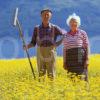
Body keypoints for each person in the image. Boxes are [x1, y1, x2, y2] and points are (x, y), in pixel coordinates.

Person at [24, 8, 64, 80]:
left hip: (51, 52)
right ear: (41, 16)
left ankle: (52, 90)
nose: (46, 16)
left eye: (47, 15)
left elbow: (65, 35)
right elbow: (33, 43)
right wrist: (27, 46)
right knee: (41, 74)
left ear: (50, 16)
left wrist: (57, 44)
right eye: (44, 15)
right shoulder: (37, 28)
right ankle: (41, 89)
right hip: (40, 53)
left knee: (51, 74)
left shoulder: (54, 28)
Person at [63, 13, 90, 81]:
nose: (73, 23)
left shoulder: (83, 33)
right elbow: (64, 49)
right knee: (72, 79)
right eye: (71, 22)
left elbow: (87, 46)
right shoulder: (66, 35)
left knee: (82, 77)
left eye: (75, 22)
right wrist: (64, 62)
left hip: (80, 58)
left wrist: (87, 59)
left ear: (78, 23)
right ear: (69, 24)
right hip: (70, 60)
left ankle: (84, 91)